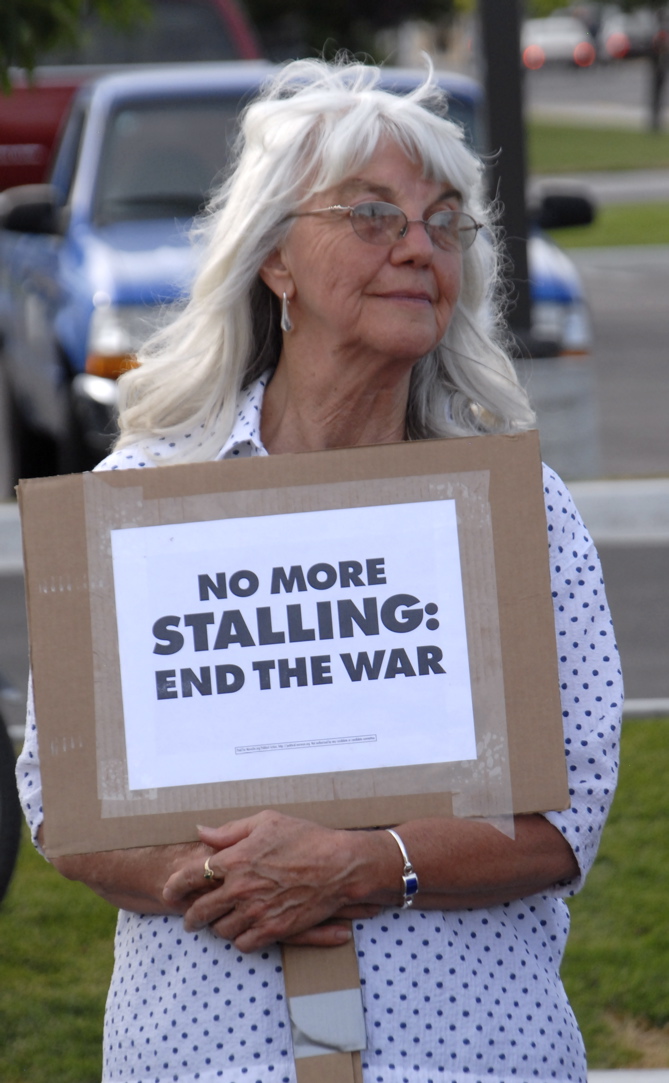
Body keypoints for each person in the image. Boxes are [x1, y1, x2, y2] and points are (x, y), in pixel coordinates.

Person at [17, 58, 622, 1083]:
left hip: (468, 1055)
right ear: (277, 260)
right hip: (213, 1058)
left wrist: (364, 865)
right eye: (374, 215)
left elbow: (568, 818)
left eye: (443, 223)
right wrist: (231, 877)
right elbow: (57, 802)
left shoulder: (521, 512)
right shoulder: (146, 500)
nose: (419, 247)